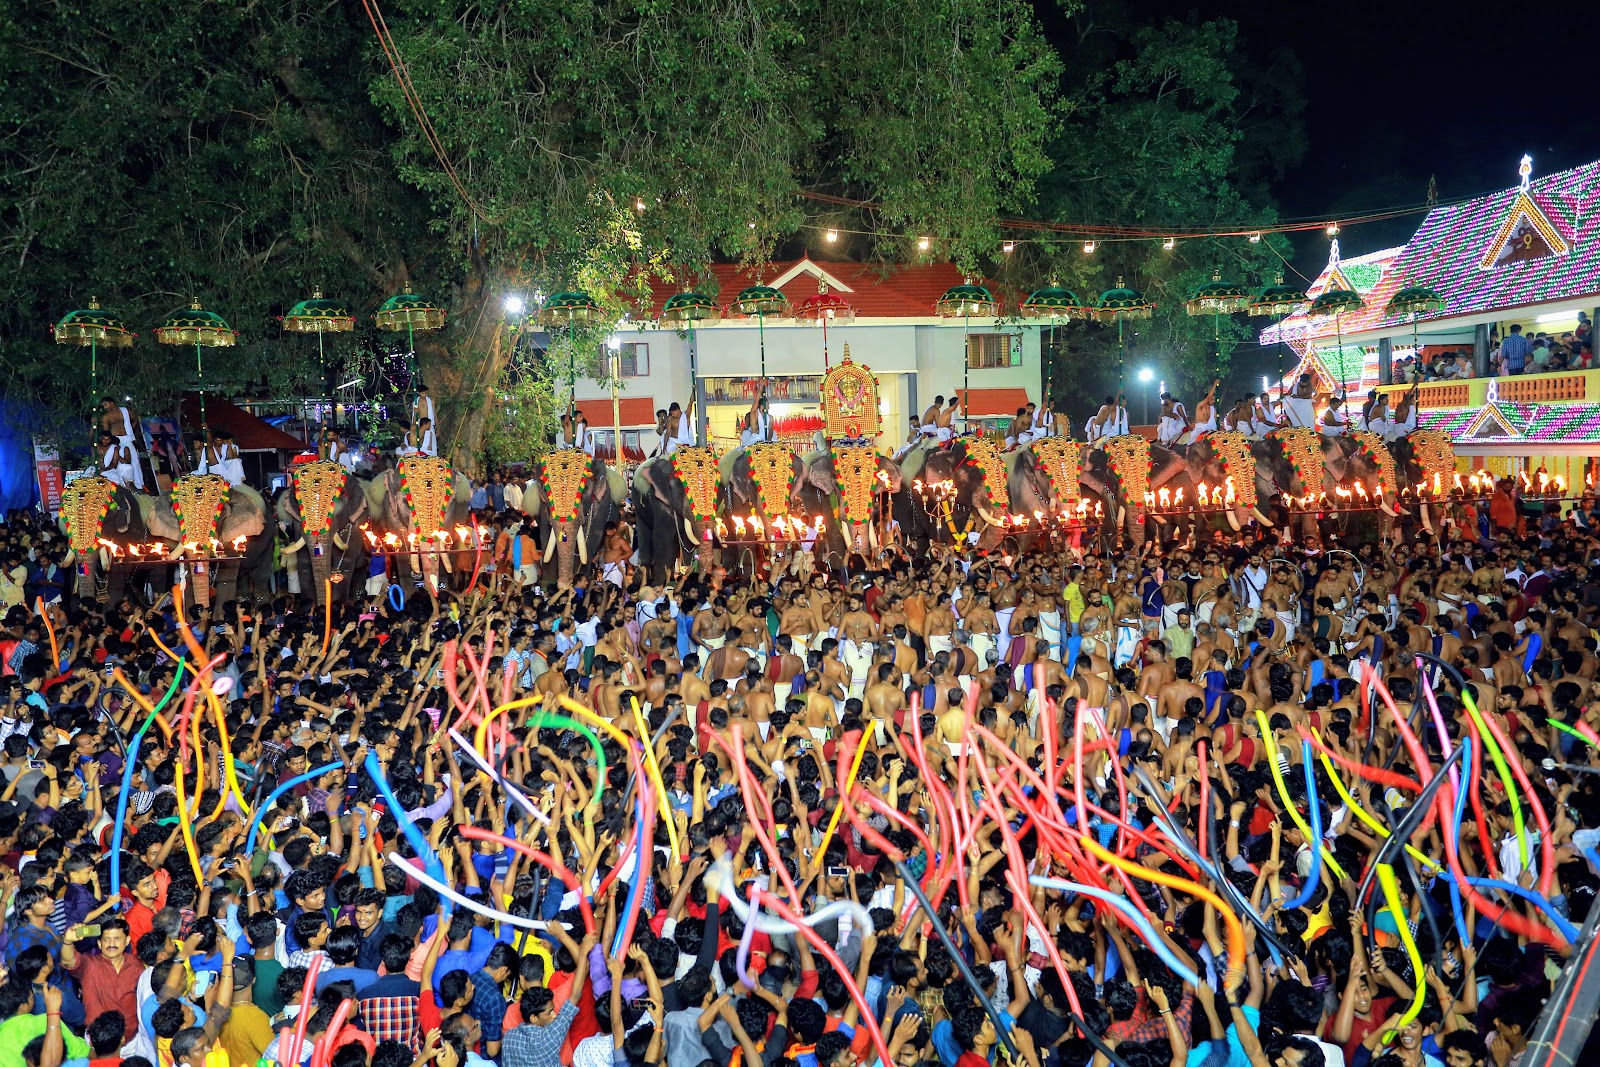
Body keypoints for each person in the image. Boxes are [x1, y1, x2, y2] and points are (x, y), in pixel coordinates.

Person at [99, 398, 146, 491]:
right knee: (118, 462)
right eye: (103, 405)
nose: (105, 407)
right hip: (115, 440)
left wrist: (130, 431)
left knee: (135, 461)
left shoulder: (125, 411)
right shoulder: (106, 417)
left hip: (127, 438)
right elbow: (106, 432)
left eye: (106, 404)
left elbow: (135, 419)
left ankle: (139, 485)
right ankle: (122, 485)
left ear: (112, 403)